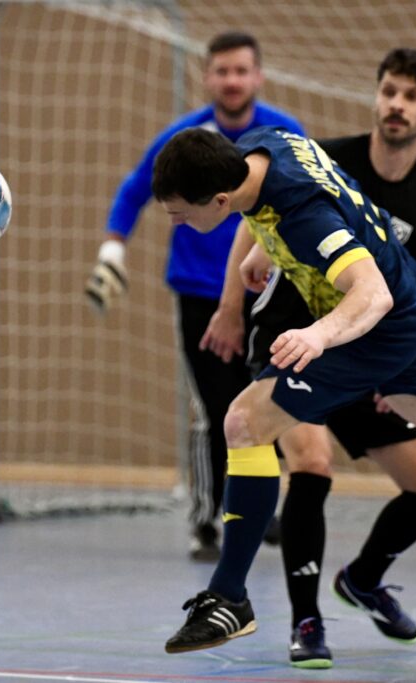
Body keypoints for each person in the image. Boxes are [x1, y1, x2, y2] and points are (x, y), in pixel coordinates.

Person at [152, 125, 416, 656]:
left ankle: (229, 596)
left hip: (374, 320)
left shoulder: (303, 217)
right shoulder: (266, 145)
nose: (179, 224)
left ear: (217, 200)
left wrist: (317, 334)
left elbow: (368, 292)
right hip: (408, 298)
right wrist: (265, 246)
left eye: (180, 215)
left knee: (244, 422)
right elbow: (274, 208)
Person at [201, 48, 416, 669]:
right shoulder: (324, 159)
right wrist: (232, 305)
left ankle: (364, 579)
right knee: (311, 465)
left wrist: (402, 361)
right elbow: (248, 210)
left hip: (372, 353)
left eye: (411, 96)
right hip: (299, 340)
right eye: (389, 91)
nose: (396, 105)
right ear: (376, 96)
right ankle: (306, 621)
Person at [84, 32, 304, 561]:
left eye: (241, 71)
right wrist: (112, 249)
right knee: (212, 409)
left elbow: (303, 198)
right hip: (198, 294)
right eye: (222, 71)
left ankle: (258, 506)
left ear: (258, 77)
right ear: (207, 78)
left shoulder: (282, 133)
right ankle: (206, 521)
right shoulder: (184, 138)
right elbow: (136, 189)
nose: (231, 80)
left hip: (267, 291)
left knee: (267, 400)